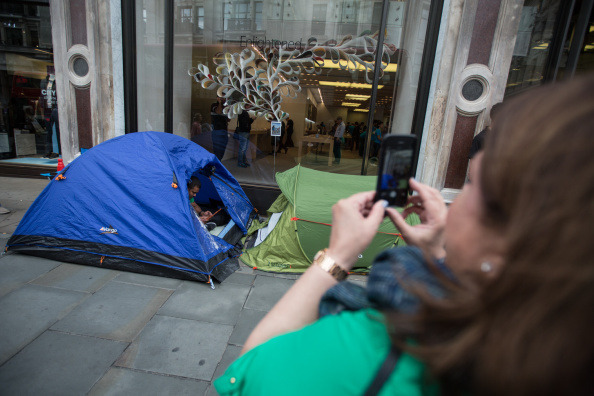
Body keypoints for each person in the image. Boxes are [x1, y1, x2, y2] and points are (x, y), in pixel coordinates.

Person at [214, 75, 594, 395]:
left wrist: (337, 255)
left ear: (512, 235)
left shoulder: (371, 348)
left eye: (472, 185)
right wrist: (438, 255)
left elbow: (253, 369)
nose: (454, 201)